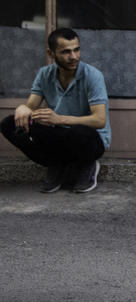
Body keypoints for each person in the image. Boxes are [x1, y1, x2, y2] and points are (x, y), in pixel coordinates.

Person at [1, 28, 110, 193]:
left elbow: (100, 120)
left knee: (77, 133)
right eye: (66, 52)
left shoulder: (93, 76)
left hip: (89, 140)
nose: (74, 57)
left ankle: (87, 165)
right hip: (59, 136)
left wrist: (60, 119)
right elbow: (31, 106)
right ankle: (56, 163)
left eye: (76, 49)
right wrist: (23, 108)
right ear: (51, 53)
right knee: (10, 124)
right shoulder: (45, 74)